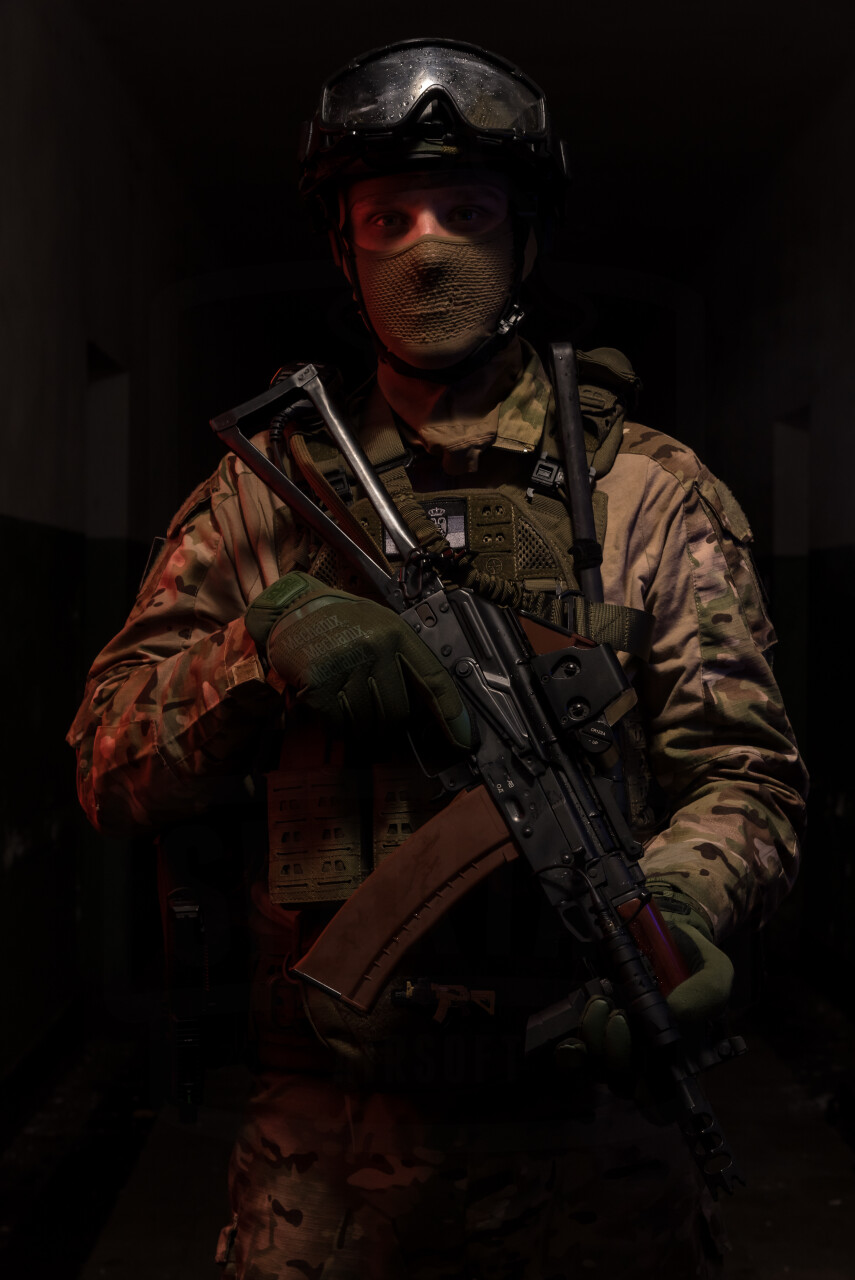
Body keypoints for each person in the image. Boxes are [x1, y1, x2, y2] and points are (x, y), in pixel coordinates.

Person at [68, 37, 807, 1279]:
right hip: (324, 1167)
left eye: (467, 212)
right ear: (344, 249)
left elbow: (746, 774)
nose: (426, 248)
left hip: (596, 1157)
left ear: (526, 239)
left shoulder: (645, 491)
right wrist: (253, 654)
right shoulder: (262, 496)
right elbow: (104, 763)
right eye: (388, 217)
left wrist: (673, 909)